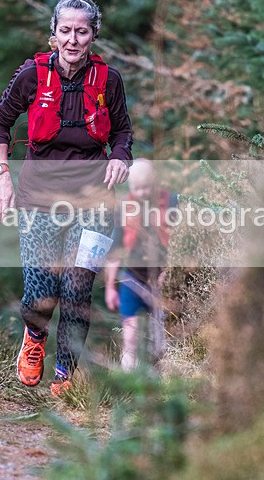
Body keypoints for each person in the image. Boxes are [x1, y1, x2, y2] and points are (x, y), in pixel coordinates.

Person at [0, 0, 133, 396]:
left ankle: (65, 374)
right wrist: (3, 178)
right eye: (65, 31)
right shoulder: (32, 76)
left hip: (95, 200)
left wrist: (120, 157)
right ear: (53, 35)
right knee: (42, 294)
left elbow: (123, 132)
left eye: (81, 31)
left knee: (76, 287)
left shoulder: (109, 81)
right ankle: (35, 338)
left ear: (93, 35)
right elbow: (0, 123)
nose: (73, 39)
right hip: (38, 199)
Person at [104, 159, 176, 371]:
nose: (143, 193)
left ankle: (162, 379)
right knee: (130, 334)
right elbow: (115, 251)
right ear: (130, 187)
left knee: (160, 336)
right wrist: (110, 287)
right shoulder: (124, 208)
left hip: (161, 281)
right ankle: (128, 376)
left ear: (156, 182)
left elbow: (182, 242)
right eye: (137, 188)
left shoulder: (171, 202)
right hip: (132, 278)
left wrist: (171, 273)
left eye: (147, 187)